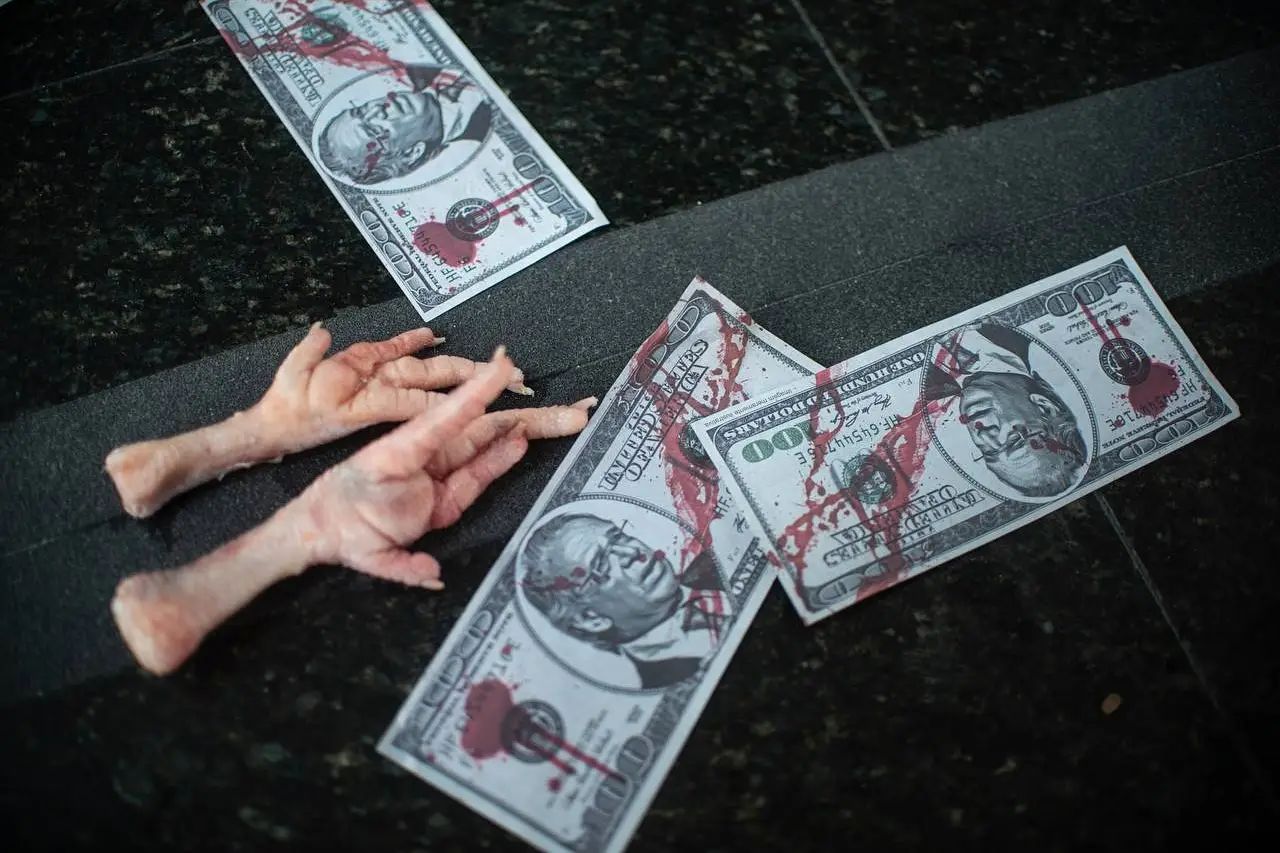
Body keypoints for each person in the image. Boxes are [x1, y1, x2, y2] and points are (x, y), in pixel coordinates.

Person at [520, 513, 727, 689]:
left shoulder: (719, 557)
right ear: (591, 619)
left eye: (619, 537)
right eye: (602, 563)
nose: (632, 552)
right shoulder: (671, 684)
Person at [923, 322, 1086, 498]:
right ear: (1045, 407)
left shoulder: (922, 393)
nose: (984, 436)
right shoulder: (1016, 329)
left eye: (989, 452)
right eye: (1014, 440)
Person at [317, 64, 491, 185]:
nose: (377, 109)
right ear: (412, 153)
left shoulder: (416, 66)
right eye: (375, 129)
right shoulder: (485, 132)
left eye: (360, 111)